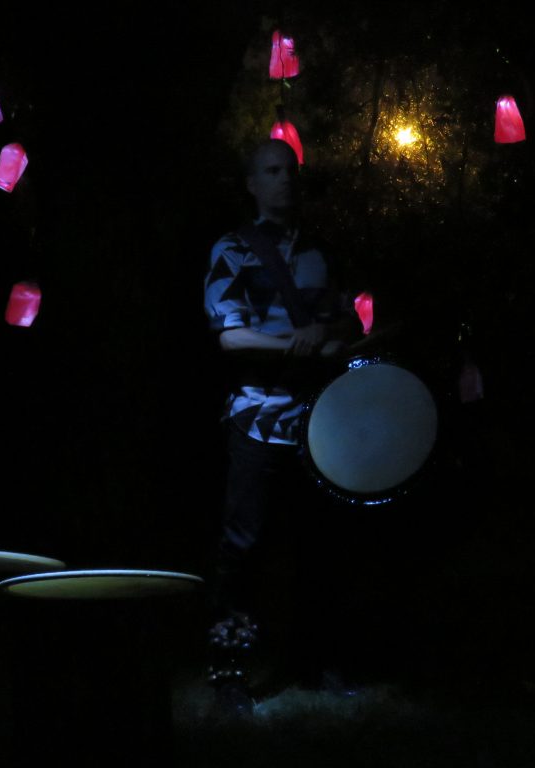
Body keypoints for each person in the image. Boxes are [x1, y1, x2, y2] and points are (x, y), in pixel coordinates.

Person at [202, 139, 361, 712]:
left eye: (290, 171)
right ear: (252, 183)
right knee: (242, 549)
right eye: (272, 171)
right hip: (256, 419)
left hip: (320, 420)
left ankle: (316, 661)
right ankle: (229, 672)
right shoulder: (233, 249)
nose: (285, 180)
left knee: (319, 546)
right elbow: (230, 337)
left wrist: (331, 335)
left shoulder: (321, 250)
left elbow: (345, 322)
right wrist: (296, 342)